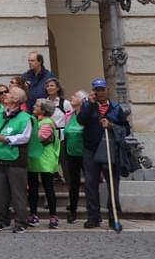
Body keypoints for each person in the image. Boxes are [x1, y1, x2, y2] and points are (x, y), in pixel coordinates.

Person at [77, 78, 128, 230]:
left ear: (107, 90)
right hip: (90, 150)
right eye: (96, 90)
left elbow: (126, 129)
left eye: (102, 89)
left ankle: (113, 217)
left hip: (110, 150)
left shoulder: (116, 108)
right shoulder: (87, 106)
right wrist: (90, 104)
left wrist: (111, 125)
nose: (99, 92)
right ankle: (93, 216)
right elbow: (81, 120)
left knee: (112, 183)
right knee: (90, 184)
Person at [0, 86, 31, 233]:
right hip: (0, 157)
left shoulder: (26, 118)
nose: (6, 95)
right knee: (1, 193)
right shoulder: (0, 114)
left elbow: (25, 137)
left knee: (18, 193)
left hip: (16, 159)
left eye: (9, 93)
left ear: (16, 100)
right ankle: (3, 220)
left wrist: (6, 138)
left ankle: (21, 222)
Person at [27, 98, 61, 229]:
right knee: (33, 189)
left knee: (48, 188)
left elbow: (40, 138)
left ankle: (53, 216)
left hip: (45, 159)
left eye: (37, 106)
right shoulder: (36, 120)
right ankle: (33, 214)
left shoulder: (47, 122)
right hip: (35, 158)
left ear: (43, 110)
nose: (34, 107)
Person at [63, 89, 87, 224]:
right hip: (71, 153)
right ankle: (72, 210)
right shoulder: (69, 114)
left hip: (84, 153)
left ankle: (92, 209)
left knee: (89, 183)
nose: (72, 97)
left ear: (82, 101)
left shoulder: (86, 115)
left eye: (75, 96)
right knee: (73, 183)